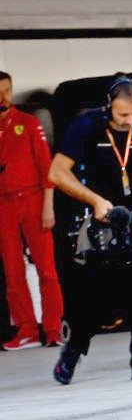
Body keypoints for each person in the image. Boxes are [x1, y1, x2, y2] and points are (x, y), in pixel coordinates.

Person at [48, 77, 132, 383]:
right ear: (108, 108)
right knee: (92, 298)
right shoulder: (86, 126)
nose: (129, 120)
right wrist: (95, 200)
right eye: (122, 116)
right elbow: (57, 172)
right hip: (99, 217)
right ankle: (72, 353)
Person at [0, 70, 63, 351]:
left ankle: (52, 328)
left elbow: (46, 166)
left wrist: (48, 205)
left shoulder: (27, 123)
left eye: (8, 90)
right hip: (3, 206)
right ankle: (26, 330)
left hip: (34, 201)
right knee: (13, 272)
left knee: (46, 270)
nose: (4, 97)